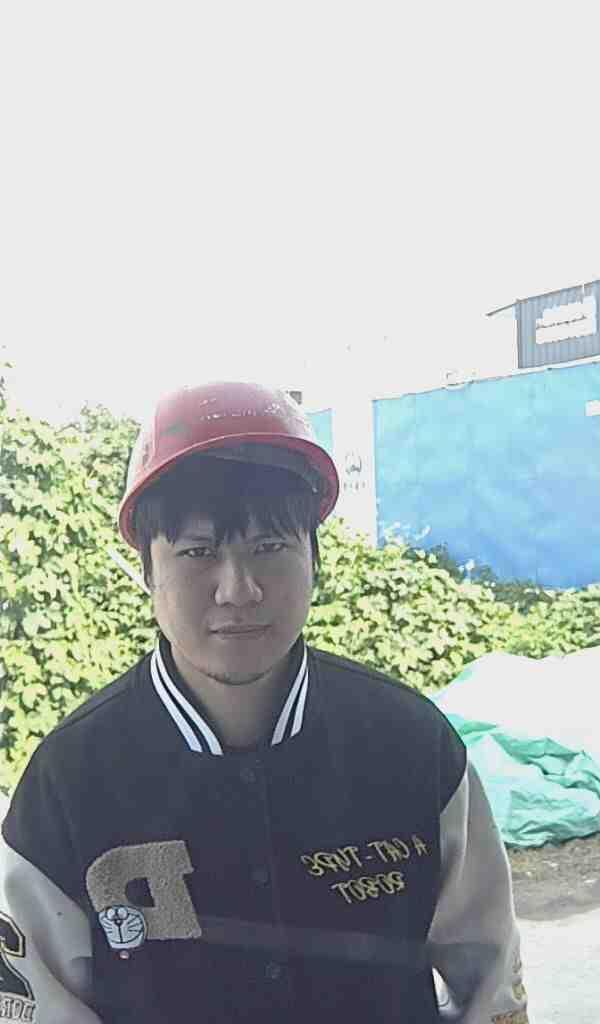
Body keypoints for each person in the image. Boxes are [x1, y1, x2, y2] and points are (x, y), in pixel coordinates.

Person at [0, 381, 529, 1023]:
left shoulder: (413, 746)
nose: (239, 589)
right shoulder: (68, 782)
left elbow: (491, 983)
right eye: (198, 552)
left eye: (270, 547)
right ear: (147, 571)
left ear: (314, 559)